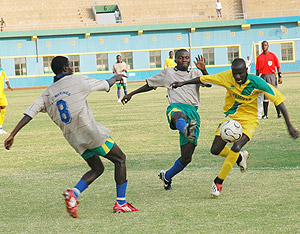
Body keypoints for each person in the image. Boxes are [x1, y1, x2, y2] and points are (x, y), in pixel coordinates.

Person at [4, 56, 139, 218]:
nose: (72, 67)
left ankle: (73, 194)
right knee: (120, 159)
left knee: (97, 168)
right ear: (65, 69)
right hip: (90, 133)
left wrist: (13, 134)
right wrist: (114, 78)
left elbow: (30, 113)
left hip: (74, 139)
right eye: (70, 65)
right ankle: (121, 203)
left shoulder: (47, 94)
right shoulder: (77, 80)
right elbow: (104, 85)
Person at [170, 58, 299, 198]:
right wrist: (183, 83)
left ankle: (218, 181)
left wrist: (289, 126)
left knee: (236, 146)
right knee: (215, 150)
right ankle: (240, 157)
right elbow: (203, 79)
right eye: (235, 73)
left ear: (246, 71)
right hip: (231, 118)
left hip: (250, 119)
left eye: (240, 73)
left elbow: (279, 101)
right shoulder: (227, 77)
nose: (237, 77)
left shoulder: (258, 83)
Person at [121, 49, 211, 190]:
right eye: (181, 58)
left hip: (193, 112)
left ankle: (167, 176)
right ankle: (186, 129)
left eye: (187, 57)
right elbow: (150, 85)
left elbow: (208, 83)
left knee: (186, 158)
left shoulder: (196, 73)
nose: (184, 60)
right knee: (178, 116)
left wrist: (204, 70)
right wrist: (131, 94)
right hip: (176, 107)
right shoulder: (168, 72)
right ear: (175, 60)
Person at [256, 40, 282, 119]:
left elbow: (278, 66)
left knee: (274, 94)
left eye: (266, 45)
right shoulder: (259, 57)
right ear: (261, 47)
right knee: (265, 96)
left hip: (272, 76)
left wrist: (280, 76)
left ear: (268, 46)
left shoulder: (272, 56)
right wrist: (257, 79)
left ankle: (279, 113)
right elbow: (257, 70)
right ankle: (265, 115)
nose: (264, 47)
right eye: (263, 45)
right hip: (263, 77)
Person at [0, 67, 13, 134]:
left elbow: (6, 79)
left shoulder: (1, 71)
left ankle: (1, 127)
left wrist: (8, 86)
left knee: (3, 109)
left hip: (1, 94)